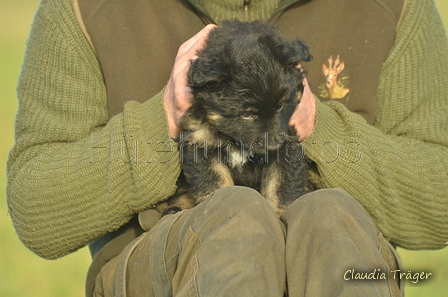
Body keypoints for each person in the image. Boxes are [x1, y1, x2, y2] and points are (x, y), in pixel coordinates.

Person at [7, 0, 448, 296]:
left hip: (339, 254)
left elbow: (440, 201)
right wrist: (165, 120)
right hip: (163, 258)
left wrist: (318, 130)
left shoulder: (396, 8)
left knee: (328, 217)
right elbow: (37, 209)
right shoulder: (84, 9)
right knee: (235, 219)